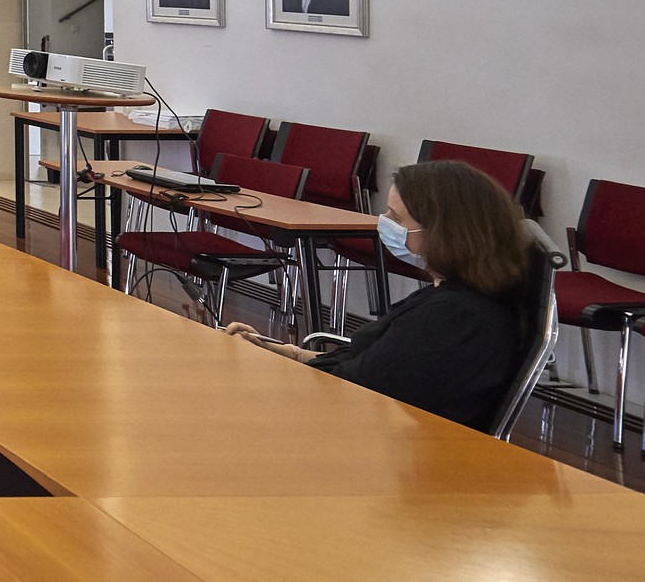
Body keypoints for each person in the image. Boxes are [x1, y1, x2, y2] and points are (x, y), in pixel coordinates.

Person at [225, 160, 544, 429]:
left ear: (442, 232)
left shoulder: (454, 318)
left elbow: (352, 391)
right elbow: (360, 366)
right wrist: (282, 353)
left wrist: (271, 373)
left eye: (396, 218)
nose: (384, 224)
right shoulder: (455, 296)